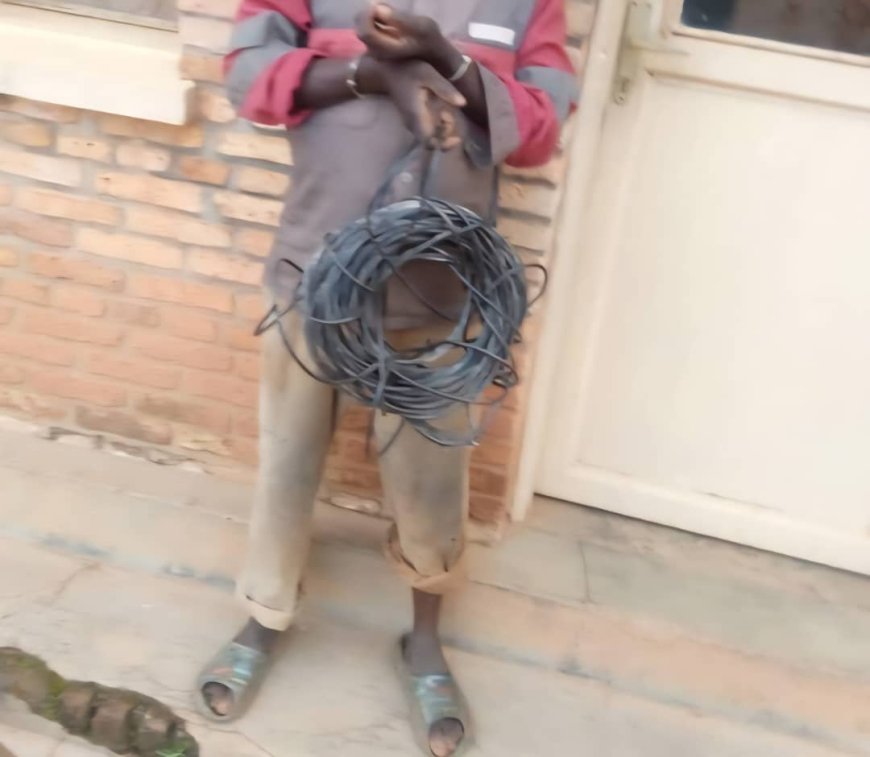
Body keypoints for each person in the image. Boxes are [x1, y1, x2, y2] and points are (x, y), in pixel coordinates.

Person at [195, 1, 576, 755]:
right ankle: (264, 615)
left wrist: (450, 63)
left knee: (431, 478)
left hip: (443, 293)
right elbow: (249, 76)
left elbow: (540, 130)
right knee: (288, 459)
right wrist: (369, 75)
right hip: (315, 273)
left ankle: (424, 640)